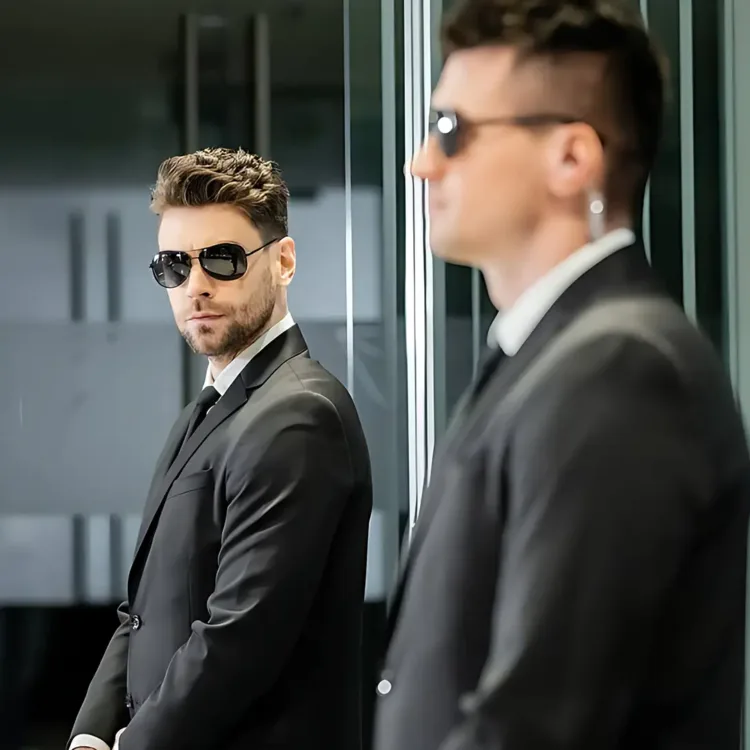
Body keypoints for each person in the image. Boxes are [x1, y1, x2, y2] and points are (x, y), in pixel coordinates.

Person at [374, 1, 750, 749]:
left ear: (572, 157)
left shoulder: (619, 371)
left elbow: (536, 723)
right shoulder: (553, 356)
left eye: (452, 128)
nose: (422, 160)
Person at [68, 148, 373, 750]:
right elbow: (141, 612)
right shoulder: (206, 411)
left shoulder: (298, 414)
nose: (197, 287)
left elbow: (241, 636)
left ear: (283, 261)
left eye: (224, 260)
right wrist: (90, 734)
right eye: (174, 266)